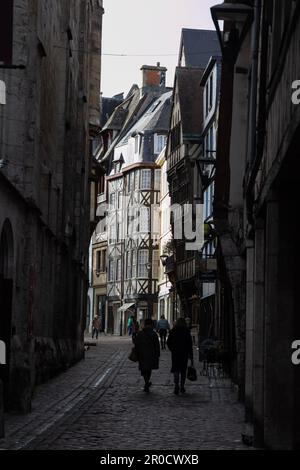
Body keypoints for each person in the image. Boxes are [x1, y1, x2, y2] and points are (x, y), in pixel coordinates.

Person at [167, 317, 193, 394]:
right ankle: (182, 386)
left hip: (175, 353)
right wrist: (191, 356)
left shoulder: (173, 330)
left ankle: (176, 385)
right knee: (183, 370)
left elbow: (168, 342)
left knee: (176, 369)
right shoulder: (186, 331)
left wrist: (172, 349)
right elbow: (189, 344)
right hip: (184, 353)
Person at [134, 318, 160, 392]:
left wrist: (137, 352)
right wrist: (157, 354)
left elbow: (136, 343)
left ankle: (146, 382)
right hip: (151, 354)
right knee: (148, 369)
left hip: (142, 354)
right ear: (151, 324)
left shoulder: (141, 333)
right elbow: (157, 345)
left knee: (144, 369)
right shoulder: (154, 334)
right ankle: (147, 382)